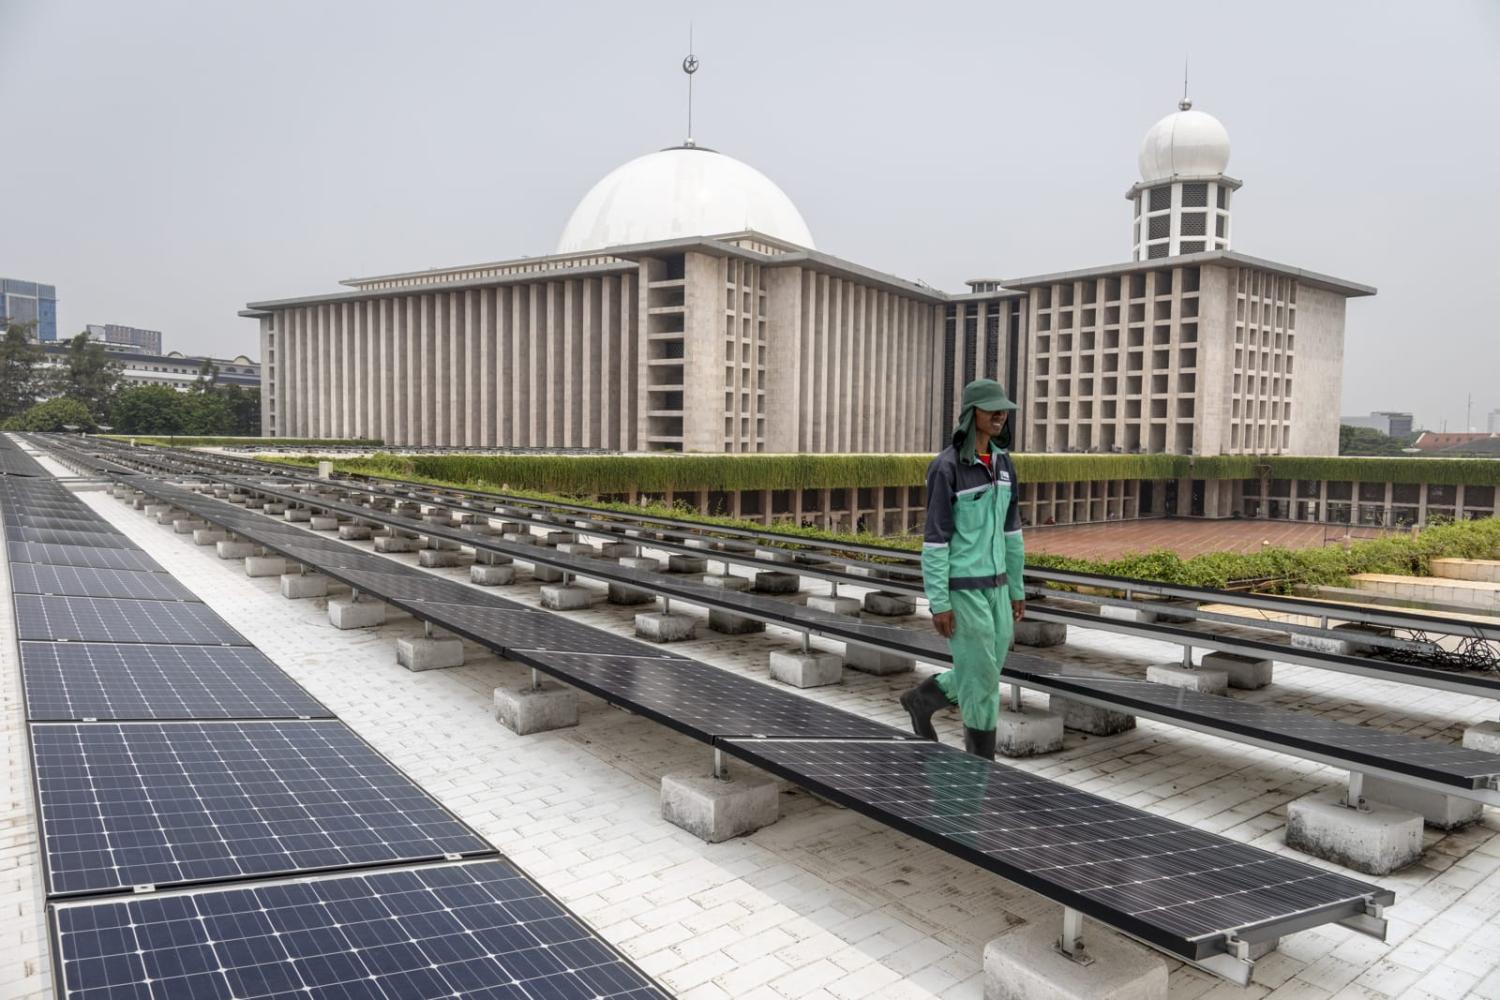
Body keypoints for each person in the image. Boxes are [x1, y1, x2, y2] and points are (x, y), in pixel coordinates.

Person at [899, 378, 1025, 760]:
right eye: (992, 408)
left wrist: (1016, 589)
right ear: (972, 414)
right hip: (963, 589)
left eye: (1003, 408)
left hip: (999, 588)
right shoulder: (946, 468)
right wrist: (939, 601)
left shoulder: (1004, 466)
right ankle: (979, 766)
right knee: (984, 679)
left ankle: (922, 699)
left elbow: (1012, 532)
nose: (1000, 414)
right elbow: (935, 539)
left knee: (983, 670)